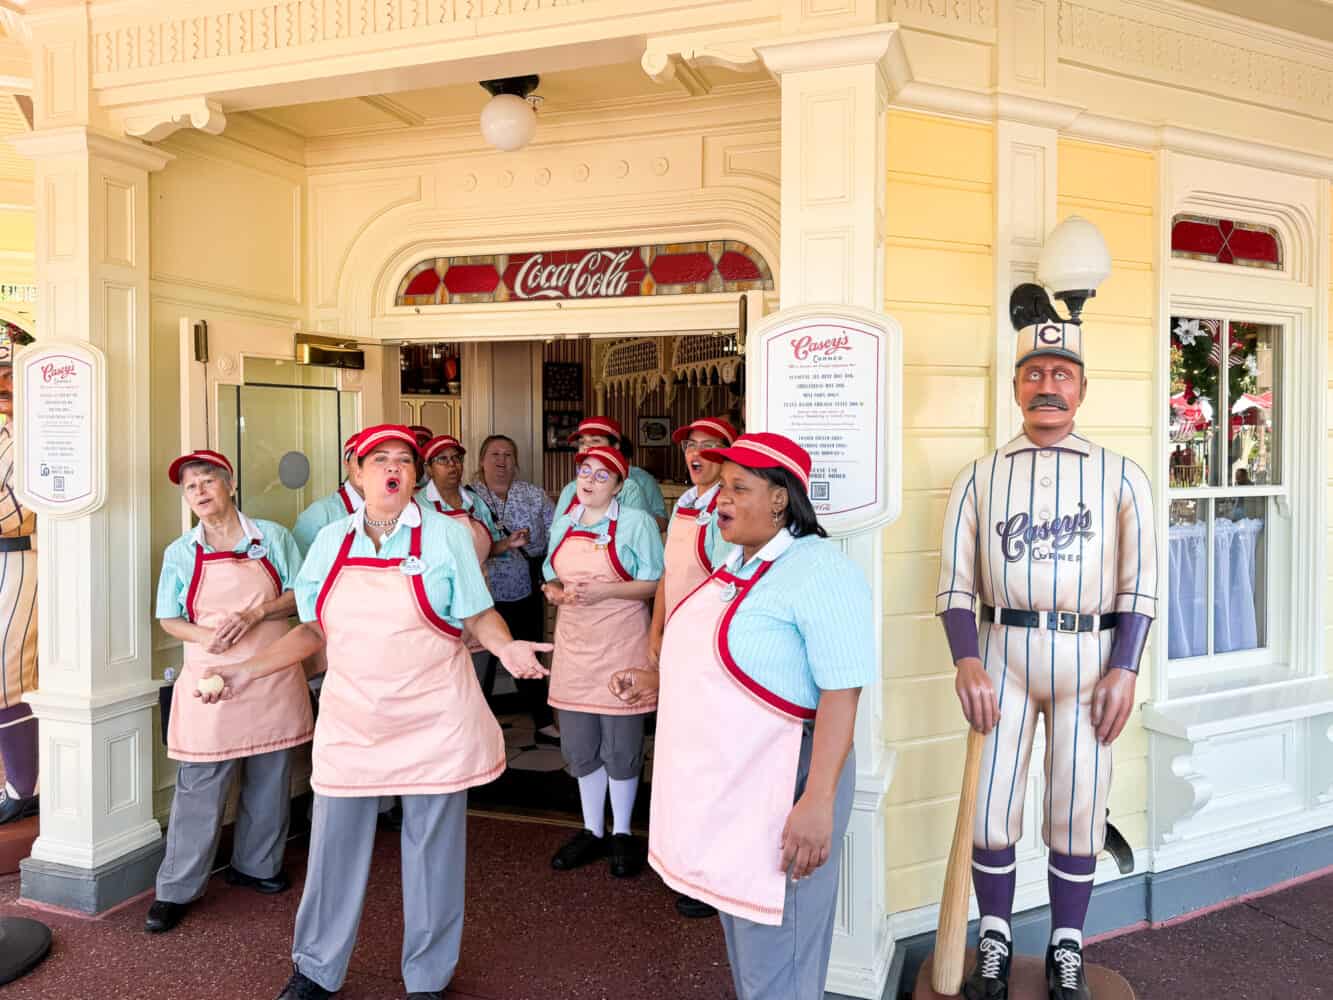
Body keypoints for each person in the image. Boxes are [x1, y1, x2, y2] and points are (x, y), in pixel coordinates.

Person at [198, 425, 550, 1000]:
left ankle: (429, 978)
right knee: (332, 849)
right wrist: (243, 671)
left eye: (405, 461)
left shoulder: (446, 537)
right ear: (356, 473)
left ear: (416, 475)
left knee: (433, 853)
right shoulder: (331, 541)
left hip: (434, 716)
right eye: (379, 459)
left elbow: (478, 613)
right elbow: (312, 628)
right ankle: (315, 968)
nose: (394, 468)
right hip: (354, 718)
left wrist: (506, 645)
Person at [937, 320, 1156, 1000]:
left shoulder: (1121, 474)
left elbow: (1140, 584)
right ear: (1014, 388)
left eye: (1060, 374)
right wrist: (964, 660)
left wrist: (1125, 666)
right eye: (1033, 374)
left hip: (1089, 654)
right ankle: (995, 936)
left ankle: (1067, 945)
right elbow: (953, 585)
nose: (1046, 386)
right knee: (990, 808)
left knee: (1076, 808)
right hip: (1002, 650)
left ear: (1082, 389)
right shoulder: (978, 476)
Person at [615, 432, 874, 1000]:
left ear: (781, 498)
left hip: (791, 774)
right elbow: (738, 664)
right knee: (747, 931)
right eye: (721, 487)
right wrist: (660, 681)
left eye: (737, 487)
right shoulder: (738, 564)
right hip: (738, 785)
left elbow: (841, 695)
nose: (720, 498)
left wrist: (817, 801)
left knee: (781, 947)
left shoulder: (820, 570)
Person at [146, 449, 312, 935]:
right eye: (190, 486)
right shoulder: (181, 552)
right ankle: (175, 889)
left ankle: (257, 865)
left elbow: (305, 593)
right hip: (210, 678)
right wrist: (207, 637)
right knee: (200, 785)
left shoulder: (274, 537)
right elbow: (168, 617)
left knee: (270, 773)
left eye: (207, 482)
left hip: (272, 672)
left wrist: (256, 614)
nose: (199, 492)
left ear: (230, 484)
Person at [541, 445, 663, 878]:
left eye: (601, 476)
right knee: (580, 745)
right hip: (575, 647)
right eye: (585, 472)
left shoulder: (636, 523)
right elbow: (549, 574)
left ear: (619, 486)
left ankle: (623, 832)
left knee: (621, 745)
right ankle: (592, 830)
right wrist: (555, 591)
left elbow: (652, 582)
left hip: (621, 642)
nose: (589, 481)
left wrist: (607, 591)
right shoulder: (565, 522)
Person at [646, 415, 737, 919]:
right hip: (678, 644)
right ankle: (683, 860)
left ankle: (710, 874)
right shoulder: (684, 502)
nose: (695, 452)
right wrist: (656, 631)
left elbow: (728, 586)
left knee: (711, 761)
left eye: (708, 445)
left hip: (708, 649)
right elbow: (668, 575)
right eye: (691, 444)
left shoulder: (727, 506)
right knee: (680, 756)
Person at [469, 434, 558, 743]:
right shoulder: (469, 497)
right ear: (481, 461)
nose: (501, 461)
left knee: (528, 654)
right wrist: (503, 544)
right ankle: (476, 730)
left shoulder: (532, 495)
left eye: (508, 454)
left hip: (524, 589)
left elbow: (556, 533)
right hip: (482, 594)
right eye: (494, 454)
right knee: (481, 665)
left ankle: (544, 722)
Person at [0, 324, 38, 824]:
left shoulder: (39, 428)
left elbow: (14, 510)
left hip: (23, 557)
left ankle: (23, 785)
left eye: (9, 374)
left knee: (7, 677)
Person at [553, 418, 668, 530]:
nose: (586, 447)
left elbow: (651, 528)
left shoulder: (632, 487)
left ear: (615, 447)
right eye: (582, 442)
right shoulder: (570, 490)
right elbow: (557, 534)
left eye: (595, 441)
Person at [292, 433, 362, 557]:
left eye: (377, 461)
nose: (367, 467)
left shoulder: (401, 509)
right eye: (360, 460)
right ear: (346, 463)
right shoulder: (319, 514)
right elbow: (300, 570)